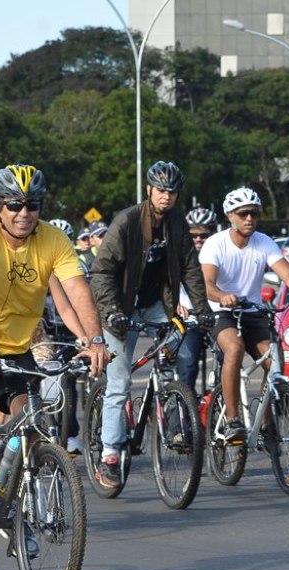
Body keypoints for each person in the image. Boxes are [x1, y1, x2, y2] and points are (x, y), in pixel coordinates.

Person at [0, 164, 110, 495]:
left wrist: (95, 340)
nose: (24, 213)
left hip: (16, 344)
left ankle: (21, 509)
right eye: (14, 205)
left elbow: (77, 291)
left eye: (32, 204)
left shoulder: (53, 239)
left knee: (29, 425)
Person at [87, 161, 210, 488]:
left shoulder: (177, 224)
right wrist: (111, 310)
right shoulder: (126, 221)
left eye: (172, 191)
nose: (166, 197)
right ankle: (110, 454)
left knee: (178, 356)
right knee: (120, 382)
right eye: (161, 190)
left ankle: (173, 415)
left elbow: (190, 270)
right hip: (121, 307)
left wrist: (202, 310)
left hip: (156, 305)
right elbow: (102, 272)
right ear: (149, 190)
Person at [201, 186, 289, 444]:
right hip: (223, 312)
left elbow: (287, 274)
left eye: (254, 214)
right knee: (234, 349)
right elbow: (207, 284)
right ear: (230, 215)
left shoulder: (264, 242)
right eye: (243, 214)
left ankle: (266, 423)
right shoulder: (215, 244)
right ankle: (233, 420)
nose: (249, 219)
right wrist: (222, 295)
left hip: (252, 312)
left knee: (275, 361)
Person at [175, 206, 218, 392]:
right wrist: (175, 304)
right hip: (190, 319)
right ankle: (184, 415)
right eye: (194, 235)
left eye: (204, 235)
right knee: (188, 363)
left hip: (216, 317)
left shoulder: (220, 252)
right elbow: (167, 284)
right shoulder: (178, 254)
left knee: (229, 358)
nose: (199, 239)